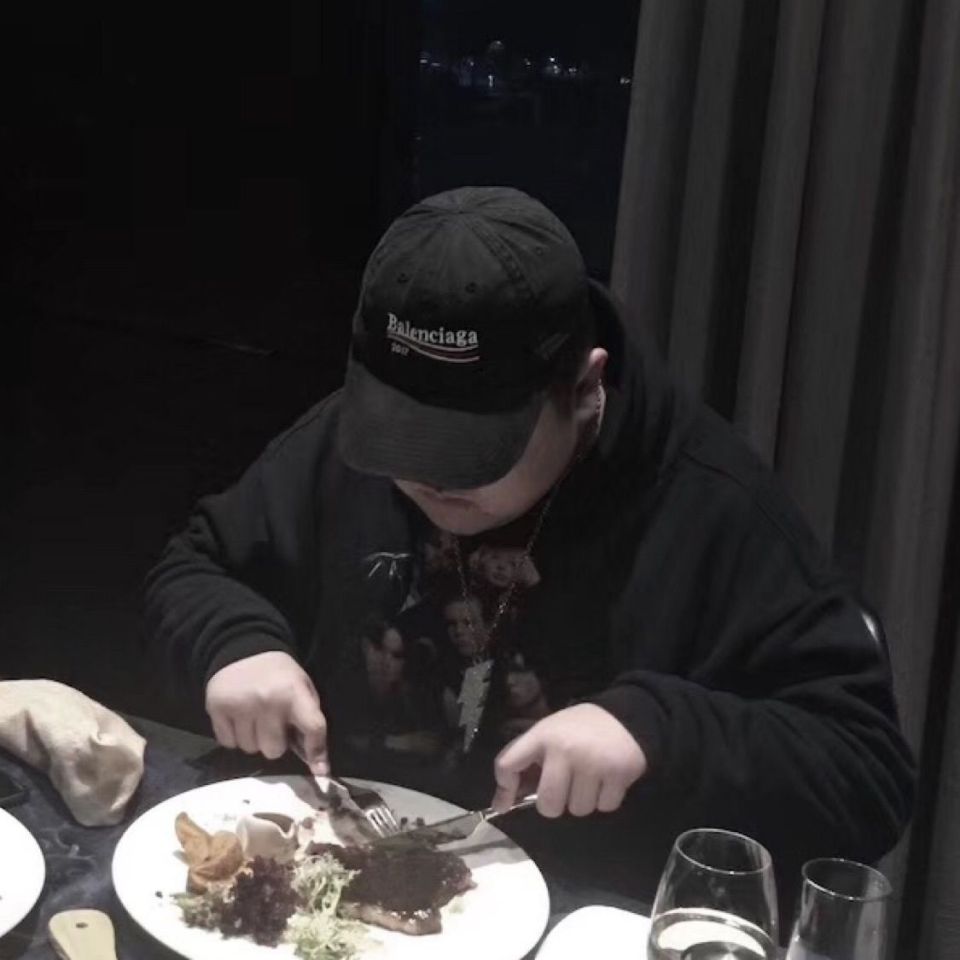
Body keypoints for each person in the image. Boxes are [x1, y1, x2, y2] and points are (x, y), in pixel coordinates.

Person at [145, 186, 914, 909]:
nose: (427, 476)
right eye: (401, 438)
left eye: (470, 450)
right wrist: (234, 643)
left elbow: (868, 775)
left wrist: (659, 731)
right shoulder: (338, 447)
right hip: (327, 888)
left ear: (584, 388)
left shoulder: (710, 505)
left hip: (577, 918)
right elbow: (194, 568)